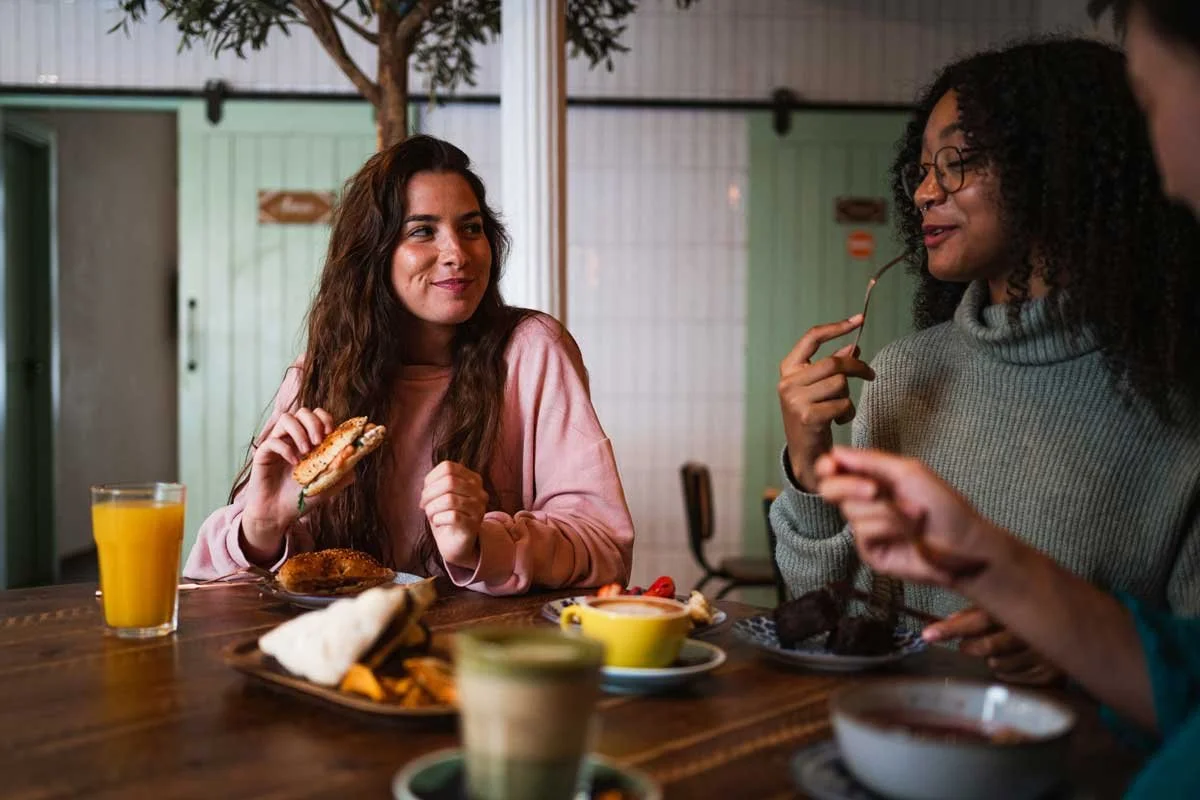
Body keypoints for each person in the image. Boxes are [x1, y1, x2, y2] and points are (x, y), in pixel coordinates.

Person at [813, 3, 1200, 795]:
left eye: (956, 162)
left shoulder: (1178, 407)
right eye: (921, 166)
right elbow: (816, 613)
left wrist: (1075, 648)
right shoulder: (903, 373)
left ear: (1056, 171)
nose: (924, 190)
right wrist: (805, 460)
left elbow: (1191, 683)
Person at [184, 135, 634, 595]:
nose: (457, 253)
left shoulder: (533, 351)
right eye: (423, 231)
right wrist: (262, 525)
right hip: (344, 651)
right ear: (374, 254)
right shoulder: (321, 372)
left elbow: (606, 547)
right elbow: (206, 579)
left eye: (472, 228)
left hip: (484, 650)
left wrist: (482, 544)